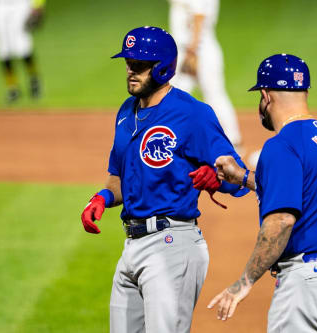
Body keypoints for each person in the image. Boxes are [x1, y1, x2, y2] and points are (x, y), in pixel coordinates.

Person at [80, 26, 248, 333]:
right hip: (131, 246)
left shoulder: (192, 114)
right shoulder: (126, 112)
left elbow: (237, 177)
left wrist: (216, 178)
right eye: (128, 63)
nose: (131, 70)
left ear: (163, 68)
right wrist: (101, 199)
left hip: (172, 244)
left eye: (139, 65)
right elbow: (117, 178)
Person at [208, 54, 317, 332]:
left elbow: (282, 220)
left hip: (312, 287)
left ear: (265, 95)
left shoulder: (281, 144)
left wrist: (244, 282)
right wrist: (242, 178)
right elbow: (306, 191)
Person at [167, 0, 242, 150]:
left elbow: (199, 16)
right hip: (190, 50)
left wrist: (192, 52)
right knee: (176, 94)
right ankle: (173, 137)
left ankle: (233, 139)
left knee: (213, 95)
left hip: (198, 50)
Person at [0, 0, 45, 103]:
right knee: (3, 49)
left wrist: (38, 4)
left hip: (20, 4)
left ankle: (34, 80)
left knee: (22, 46)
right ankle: (12, 88)